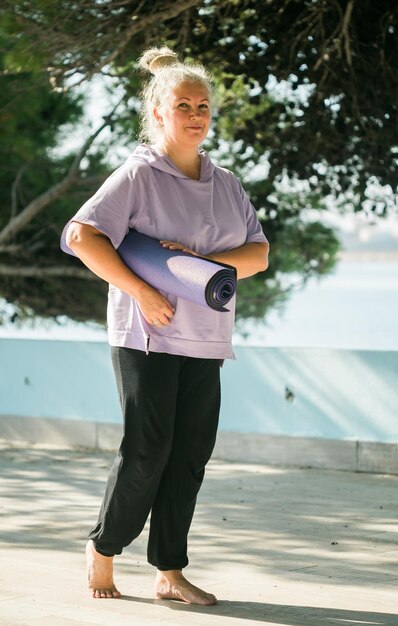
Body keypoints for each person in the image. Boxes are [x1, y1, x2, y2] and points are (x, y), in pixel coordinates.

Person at [61, 45, 269, 605]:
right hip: (146, 332)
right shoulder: (138, 174)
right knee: (148, 450)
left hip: (206, 336)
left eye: (203, 105)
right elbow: (82, 236)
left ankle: (169, 572)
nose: (196, 114)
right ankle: (103, 549)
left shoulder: (226, 183)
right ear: (158, 113)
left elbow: (258, 254)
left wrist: (206, 264)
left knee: (190, 454)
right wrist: (145, 289)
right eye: (183, 105)